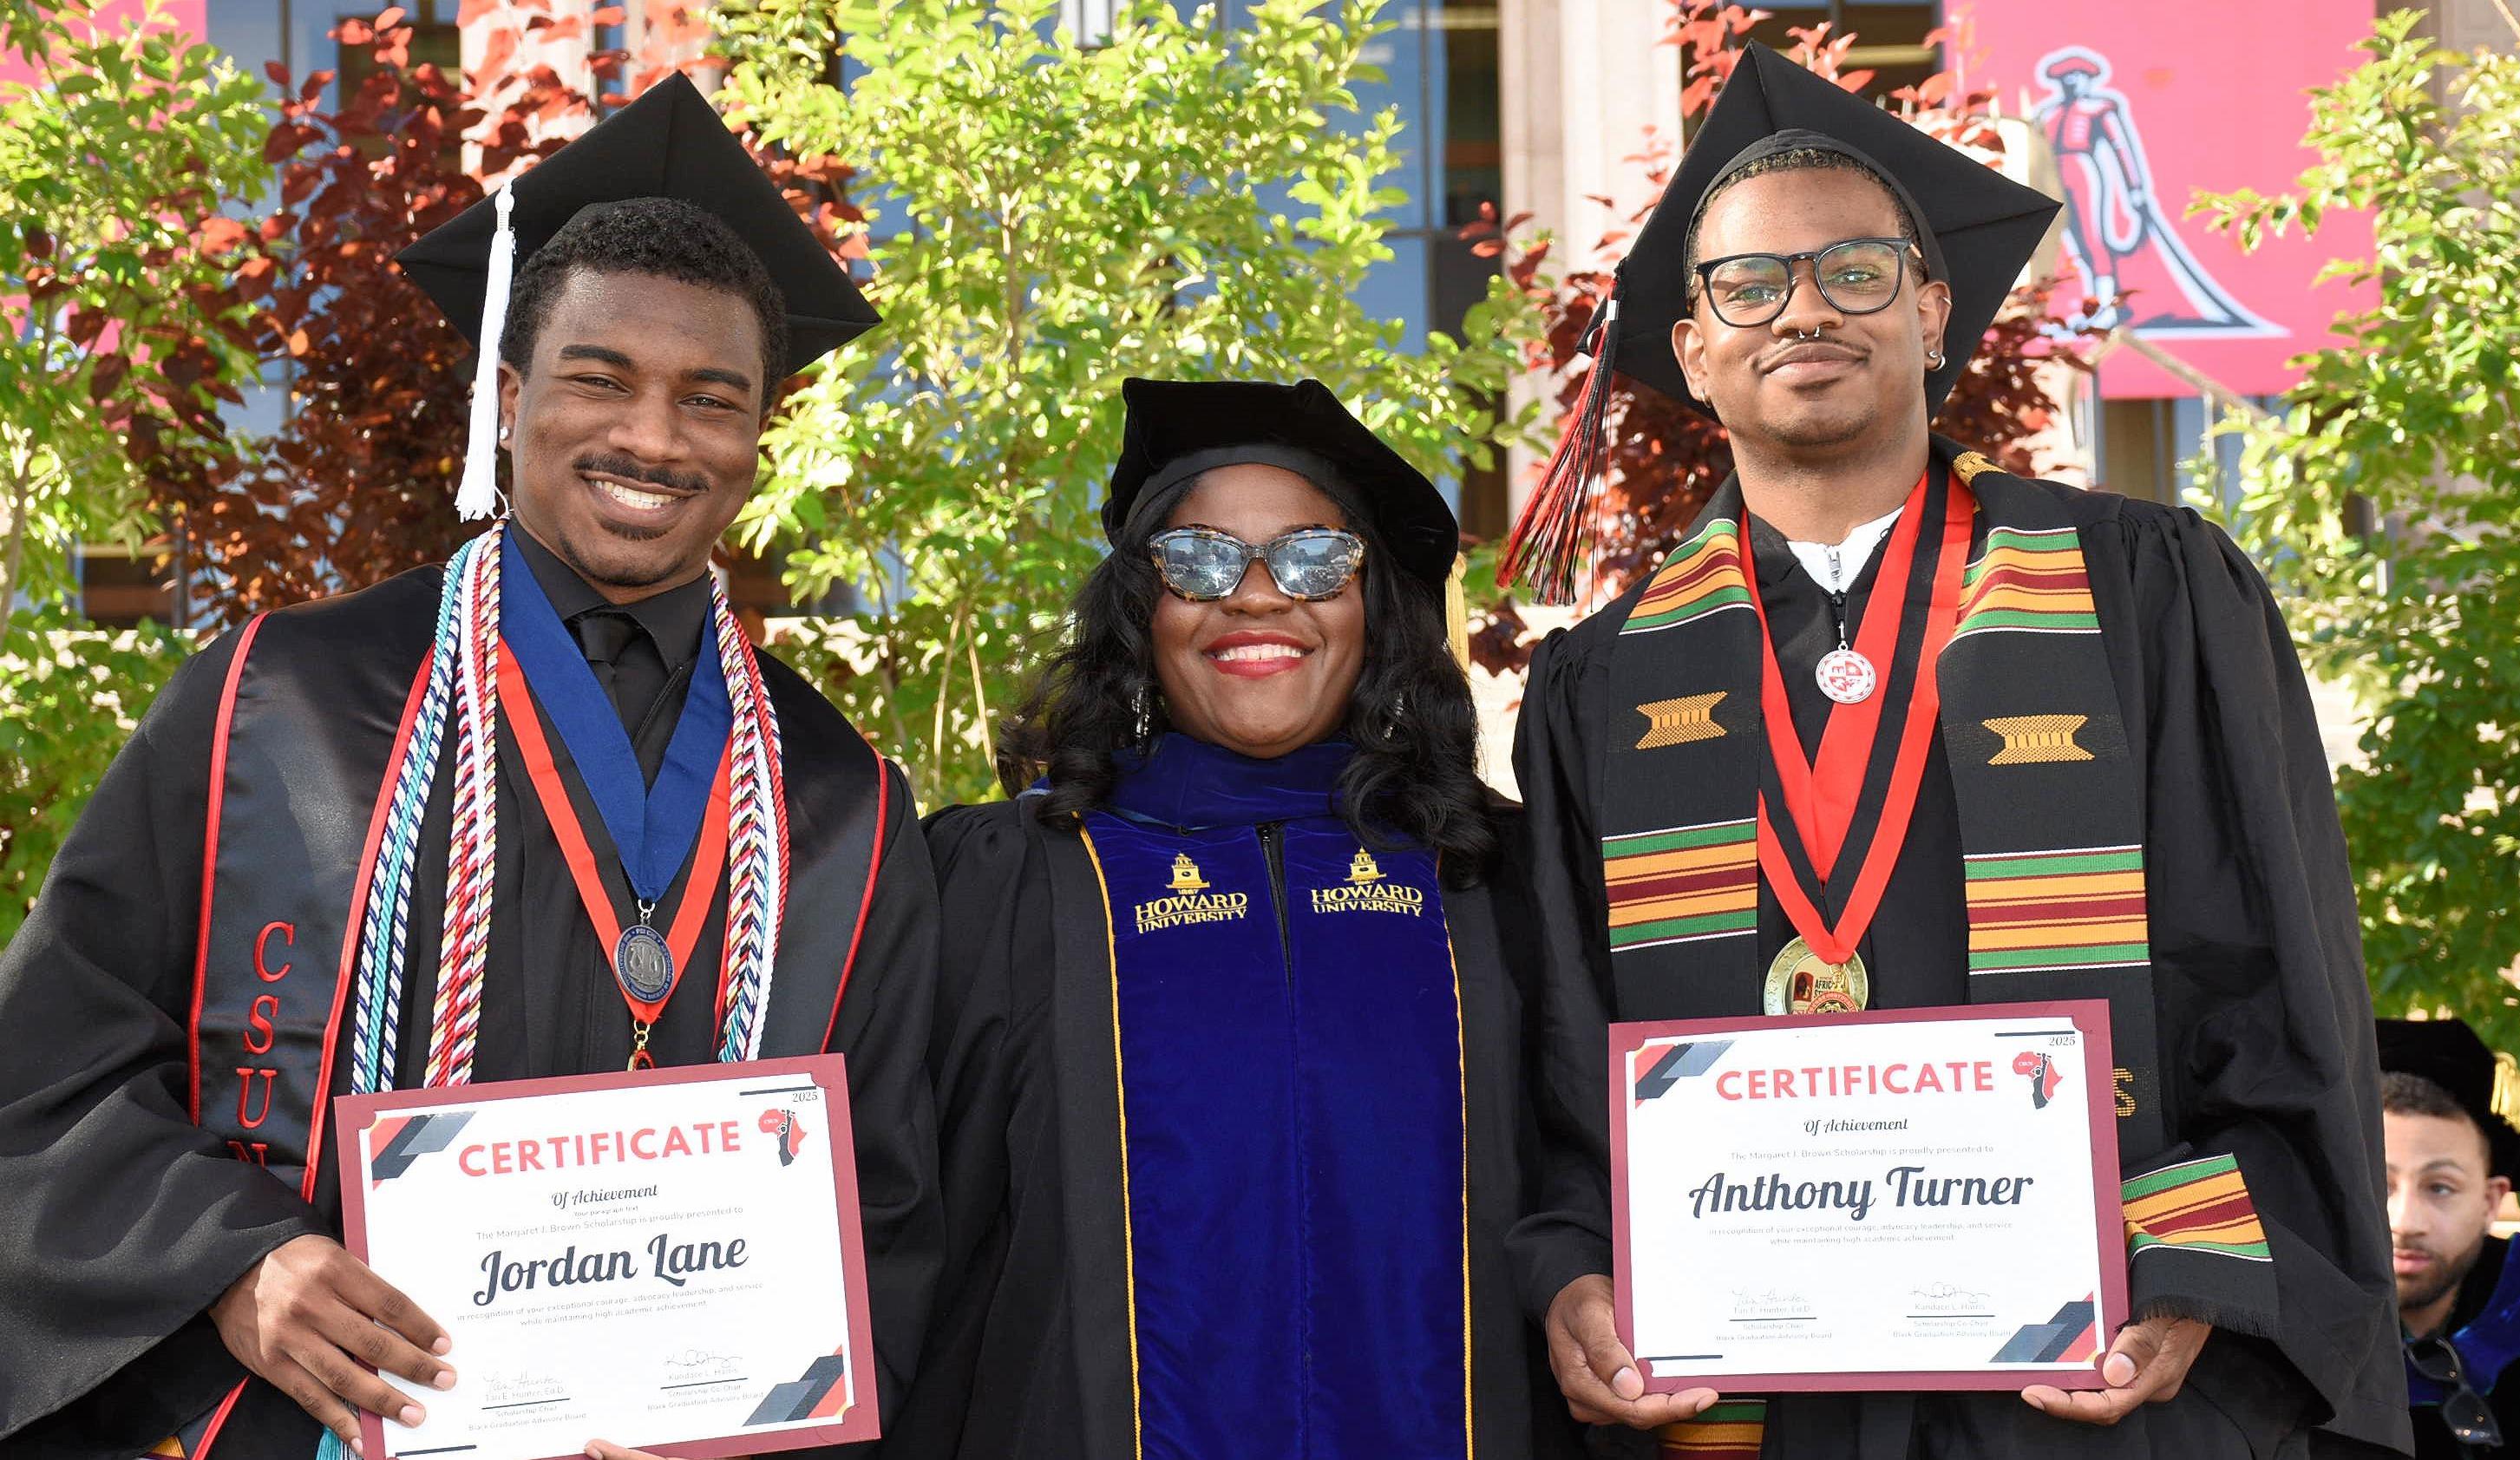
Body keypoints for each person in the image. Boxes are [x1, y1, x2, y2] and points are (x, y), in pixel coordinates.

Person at [0, 75, 940, 1458]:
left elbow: (894, 1211)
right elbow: (45, 1070)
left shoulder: (839, 800)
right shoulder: (283, 704)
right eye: (600, 378)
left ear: (758, 436)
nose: (655, 438)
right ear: (509, 397)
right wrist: (233, 1264)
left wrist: (751, 1395)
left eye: (712, 397)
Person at [1501, 43, 2407, 1458]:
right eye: (1748, 286)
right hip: (1743, 1406)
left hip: (2079, 1391)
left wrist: (2190, 1281)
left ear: (1932, 311)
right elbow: (1560, 1050)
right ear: (1691, 350)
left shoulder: (2141, 593)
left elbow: (2272, 984)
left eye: (1855, 271)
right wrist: (1571, 1275)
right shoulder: (1600, 682)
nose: (1803, 311)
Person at [887, 376, 1583, 1459]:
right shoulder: (1014, 881)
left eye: (1314, 561)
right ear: (1142, 612)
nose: (1257, 596)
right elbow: (911, 1227)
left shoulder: (1493, 879)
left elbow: (1582, 1188)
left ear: (1372, 608)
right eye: (1199, 561)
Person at [2378, 1018, 2520, 1457]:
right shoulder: (2281, 1323)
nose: (2405, 1221)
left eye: (2440, 1187)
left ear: (2490, 1200)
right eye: (2378, 1184)